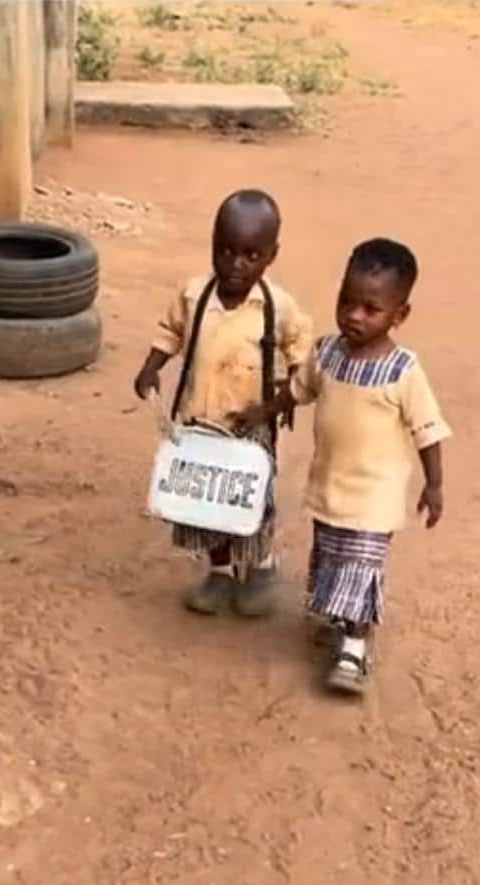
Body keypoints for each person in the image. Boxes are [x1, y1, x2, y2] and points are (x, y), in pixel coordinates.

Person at [232, 238, 451, 693]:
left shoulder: (403, 372)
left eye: (371, 308)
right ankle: (338, 618)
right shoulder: (328, 353)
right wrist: (264, 412)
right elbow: (298, 391)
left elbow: (428, 431)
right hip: (331, 485)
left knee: (361, 565)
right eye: (347, 301)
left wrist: (434, 485)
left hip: (375, 496)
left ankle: (355, 646)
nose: (354, 315)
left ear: (399, 315)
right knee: (332, 555)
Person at [135, 189, 313, 617]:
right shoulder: (194, 297)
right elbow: (170, 331)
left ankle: (260, 567)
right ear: (212, 243)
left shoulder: (276, 305)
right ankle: (219, 572)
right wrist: (151, 366)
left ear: (271, 255)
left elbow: (300, 341)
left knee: (249, 501)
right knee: (205, 505)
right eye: (226, 251)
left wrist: (292, 383)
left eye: (251, 255)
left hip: (250, 426)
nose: (236, 265)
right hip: (199, 420)